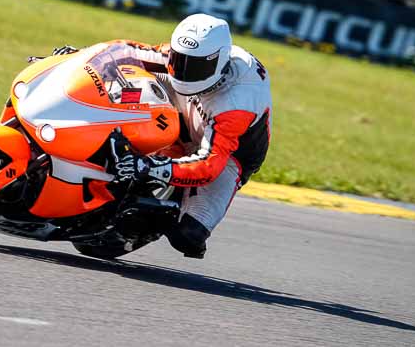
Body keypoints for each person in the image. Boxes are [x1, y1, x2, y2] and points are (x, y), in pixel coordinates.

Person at [54, 13, 272, 258]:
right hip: (183, 107)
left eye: (196, 66)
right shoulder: (186, 56)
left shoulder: (236, 102)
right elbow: (126, 51)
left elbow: (209, 166)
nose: (185, 72)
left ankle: (157, 210)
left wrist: (147, 166)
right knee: (123, 79)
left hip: (229, 156)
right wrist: (80, 59)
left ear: (219, 62)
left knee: (188, 236)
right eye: (180, 60)